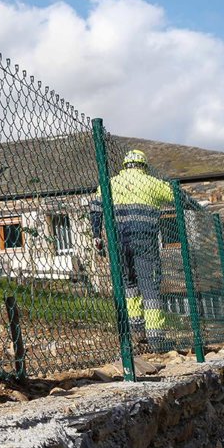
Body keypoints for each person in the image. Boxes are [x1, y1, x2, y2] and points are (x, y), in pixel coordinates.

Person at [90, 149, 175, 352]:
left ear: (125, 165)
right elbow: (177, 197)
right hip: (145, 241)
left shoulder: (109, 184)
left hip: (118, 241)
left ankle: (136, 330)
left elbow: (95, 208)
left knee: (128, 284)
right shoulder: (153, 183)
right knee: (150, 286)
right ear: (144, 166)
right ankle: (155, 337)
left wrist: (96, 234)